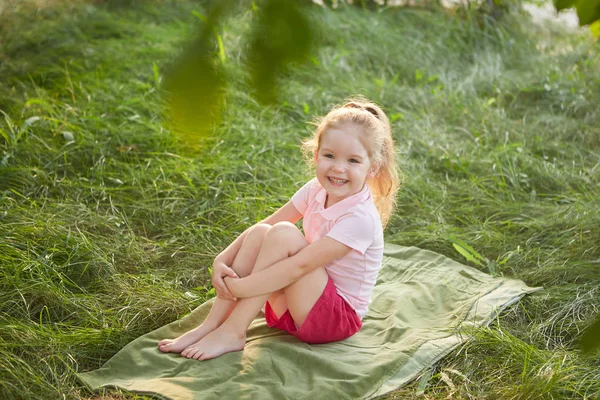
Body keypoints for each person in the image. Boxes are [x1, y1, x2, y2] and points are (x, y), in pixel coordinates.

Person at [158, 97, 400, 360]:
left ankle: (234, 331)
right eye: (329, 155)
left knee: (284, 234)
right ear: (316, 155)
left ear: (372, 168)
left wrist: (240, 288)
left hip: (332, 321)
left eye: (353, 161)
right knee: (264, 233)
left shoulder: (360, 218)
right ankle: (211, 325)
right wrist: (222, 260)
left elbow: (299, 267)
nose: (338, 168)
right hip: (294, 309)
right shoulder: (316, 190)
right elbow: (263, 226)